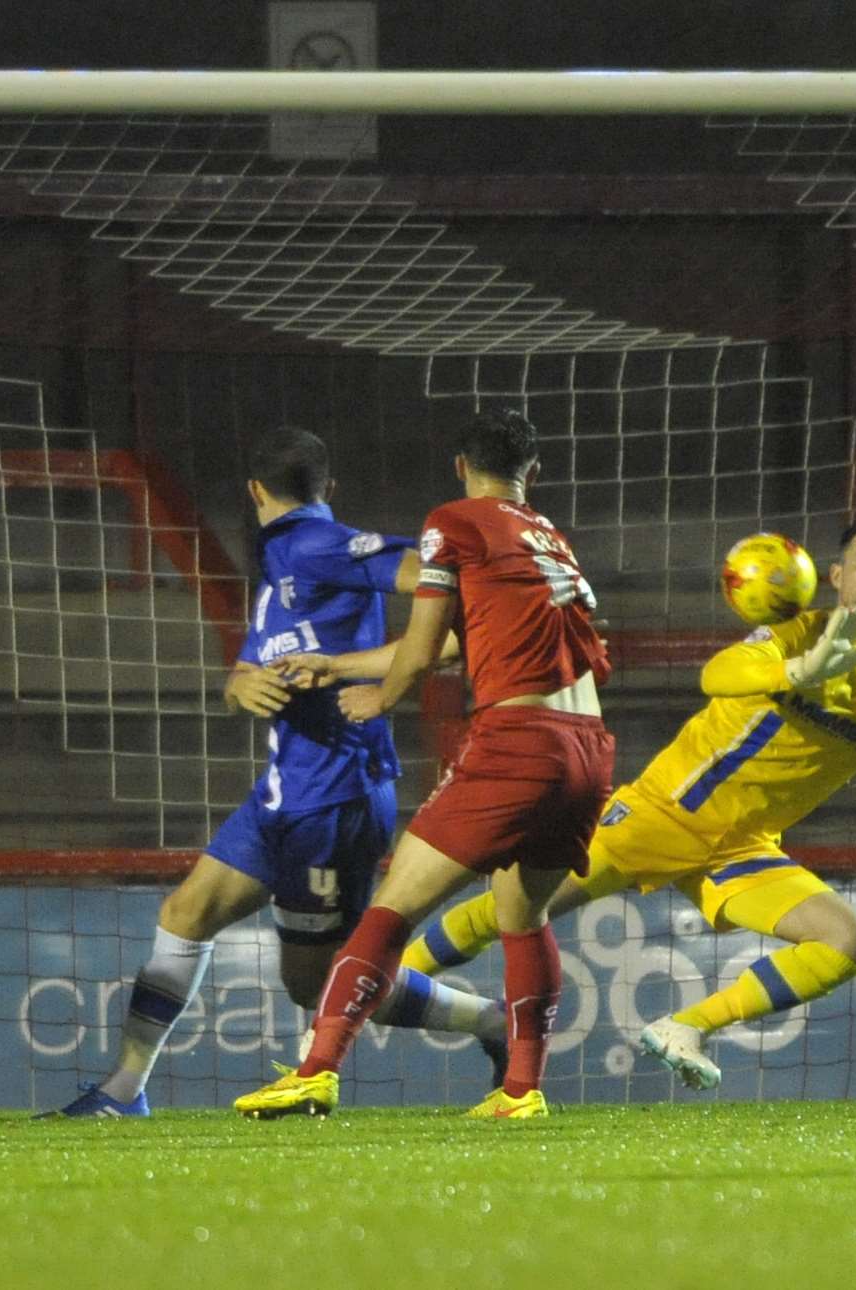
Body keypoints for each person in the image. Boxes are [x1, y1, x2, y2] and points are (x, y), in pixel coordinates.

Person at [397, 521, 856, 1092]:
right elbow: (717, 675)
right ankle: (391, 977)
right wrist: (799, 672)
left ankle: (685, 1027)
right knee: (508, 911)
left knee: (846, 941)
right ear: (838, 574)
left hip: (739, 850)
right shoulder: (794, 634)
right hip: (659, 815)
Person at [40, 426, 504, 1118]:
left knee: (317, 986)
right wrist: (241, 687)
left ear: (253, 490)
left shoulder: (319, 544)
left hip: (334, 798)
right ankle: (123, 1091)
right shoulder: (281, 567)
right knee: (185, 913)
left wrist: (440, 642)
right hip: (281, 795)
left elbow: (424, 570)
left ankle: (494, 1022)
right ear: (328, 486)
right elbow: (249, 671)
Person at [234, 408, 614, 1121]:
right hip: (587, 747)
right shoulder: (551, 540)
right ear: (533, 473)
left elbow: (424, 643)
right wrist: (340, 664)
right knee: (523, 916)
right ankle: (522, 1092)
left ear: (460, 467)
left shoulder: (455, 521)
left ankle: (316, 1071)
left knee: (391, 906)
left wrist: (383, 694)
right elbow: (469, 642)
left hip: (518, 741)